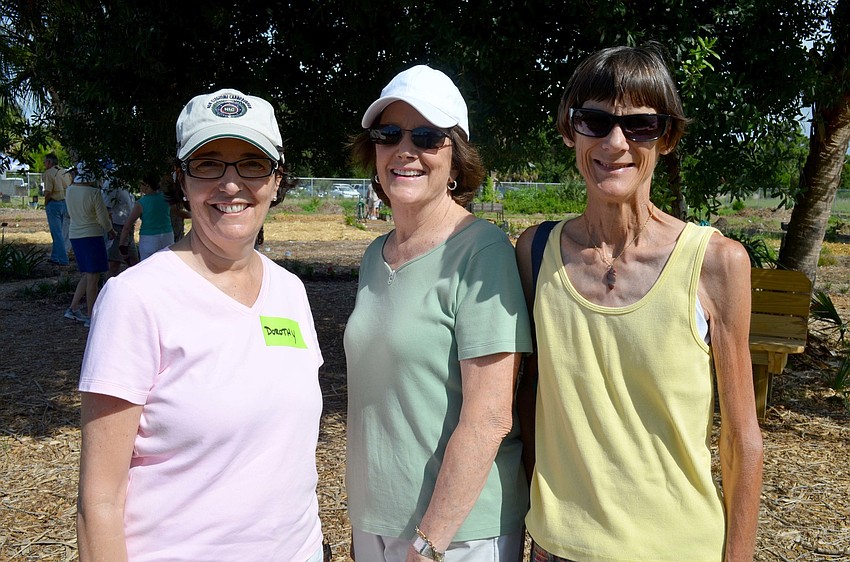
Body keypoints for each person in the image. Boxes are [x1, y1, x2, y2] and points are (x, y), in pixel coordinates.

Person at [515, 44, 764, 562]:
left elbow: (742, 439)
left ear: (667, 137)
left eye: (641, 126)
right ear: (570, 130)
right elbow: (528, 397)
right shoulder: (535, 253)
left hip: (678, 548)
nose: (615, 142)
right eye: (595, 121)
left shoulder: (716, 263)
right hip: (559, 547)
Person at [76, 88, 326, 562]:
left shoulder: (291, 291)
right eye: (208, 164)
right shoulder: (135, 299)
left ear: (276, 180)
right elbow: (99, 501)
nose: (231, 184)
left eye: (252, 163)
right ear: (182, 180)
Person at [345, 65, 532, 562]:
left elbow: (490, 416)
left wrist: (430, 542)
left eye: (427, 137)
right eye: (389, 134)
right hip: (377, 523)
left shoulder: (481, 252)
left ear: (456, 161)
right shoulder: (374, 256)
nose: (405, 150)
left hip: (456, 535)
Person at [64, 162, 116, 327]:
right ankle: (91, 315)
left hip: (76, 234)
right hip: (91, 235)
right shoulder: (94, 192)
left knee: (88, 274)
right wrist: (110, 230)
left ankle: (73, 308)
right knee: (93, 277)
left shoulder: (69, 190)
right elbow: (102, 217)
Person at [118, 173, 174, 261]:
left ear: (147, 185)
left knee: (148, 266)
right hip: (167, 236)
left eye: (141, 183)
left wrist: (122, 245)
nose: (139, 186)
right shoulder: (166, 198)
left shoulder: (141, 203)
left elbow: (127, 226)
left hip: (149, 238)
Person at [102, 179, 139, 278]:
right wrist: (110, 230)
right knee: (114, 264)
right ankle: (107, 288)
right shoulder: (111, 184)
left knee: (134, 263)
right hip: (117, 228)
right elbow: (106, 209)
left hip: (128, 228)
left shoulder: (126, 183)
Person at [42, 152, 71, 265]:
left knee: (56, 232)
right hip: (65, 202)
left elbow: (48, 191)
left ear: (49, 162)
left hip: (54, 203)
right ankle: (55, 256)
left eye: (45, 162)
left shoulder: (49, 173)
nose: (44, 164)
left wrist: (45, 202)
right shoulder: (64, 172)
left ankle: (63, 259)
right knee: (60, 231)